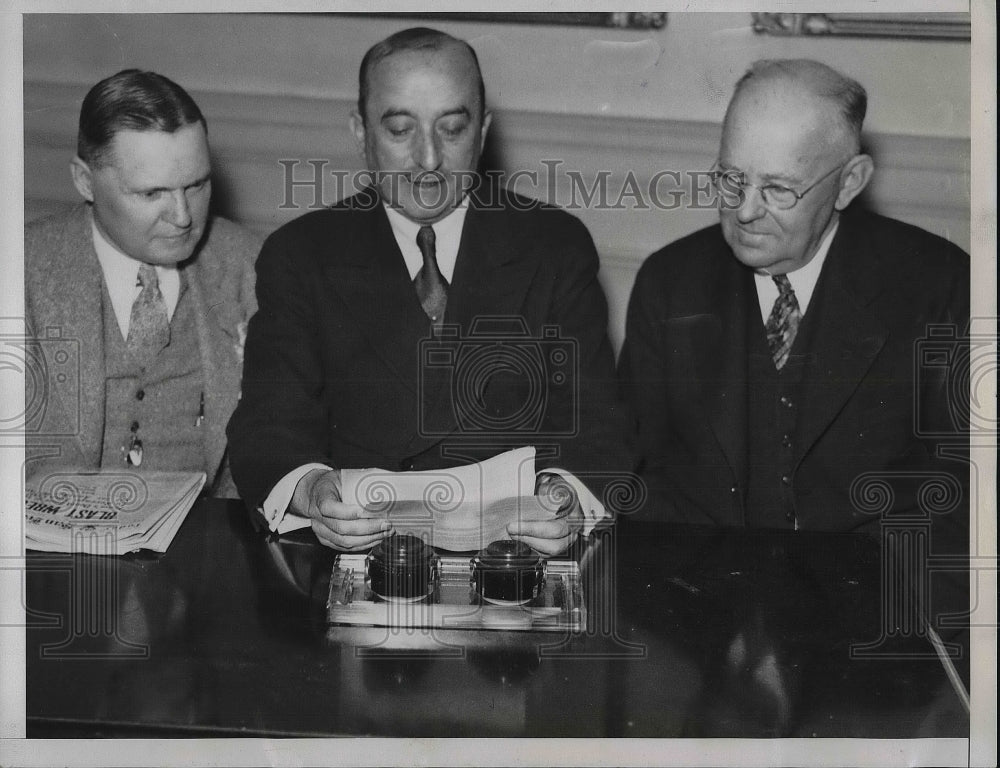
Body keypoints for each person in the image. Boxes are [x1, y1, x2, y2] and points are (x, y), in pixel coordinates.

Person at [227, 28, 634, 555]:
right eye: (399, 129)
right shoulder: (301, 256)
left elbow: (598, 422)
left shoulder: (555, 247)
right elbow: (269, 425)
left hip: (516, 563)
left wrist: (568, 499)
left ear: (483, 131)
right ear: (360, 132)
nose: (428, 158)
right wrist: (310, 492)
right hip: (355, 559)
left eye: (453, 128)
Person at [619, 59, 969, 535]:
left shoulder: (938, 284)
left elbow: (964, 500)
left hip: (880, 592)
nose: (744, 211)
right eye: (730, 178)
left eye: (779, 190)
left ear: (849, 182)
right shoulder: (670, 283)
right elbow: (637, 482)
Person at [25, 69, 260, 497]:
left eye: (197, 185)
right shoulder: (21, 270)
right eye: (152, 193)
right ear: (84, 181)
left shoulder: (251, 264)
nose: (183, 216)